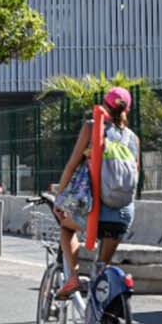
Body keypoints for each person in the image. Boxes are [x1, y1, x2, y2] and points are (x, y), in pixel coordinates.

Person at [52, 86, 139, 298]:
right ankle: (104, 323)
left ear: (105, 105)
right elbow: (136, 177)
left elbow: (72, 165)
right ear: (127, 109)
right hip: (123, 214)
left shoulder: (92, 128)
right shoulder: (133, 139)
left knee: (65, 226)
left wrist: (60, 198)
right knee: (101, 272)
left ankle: (73, 278)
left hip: (94, 210)